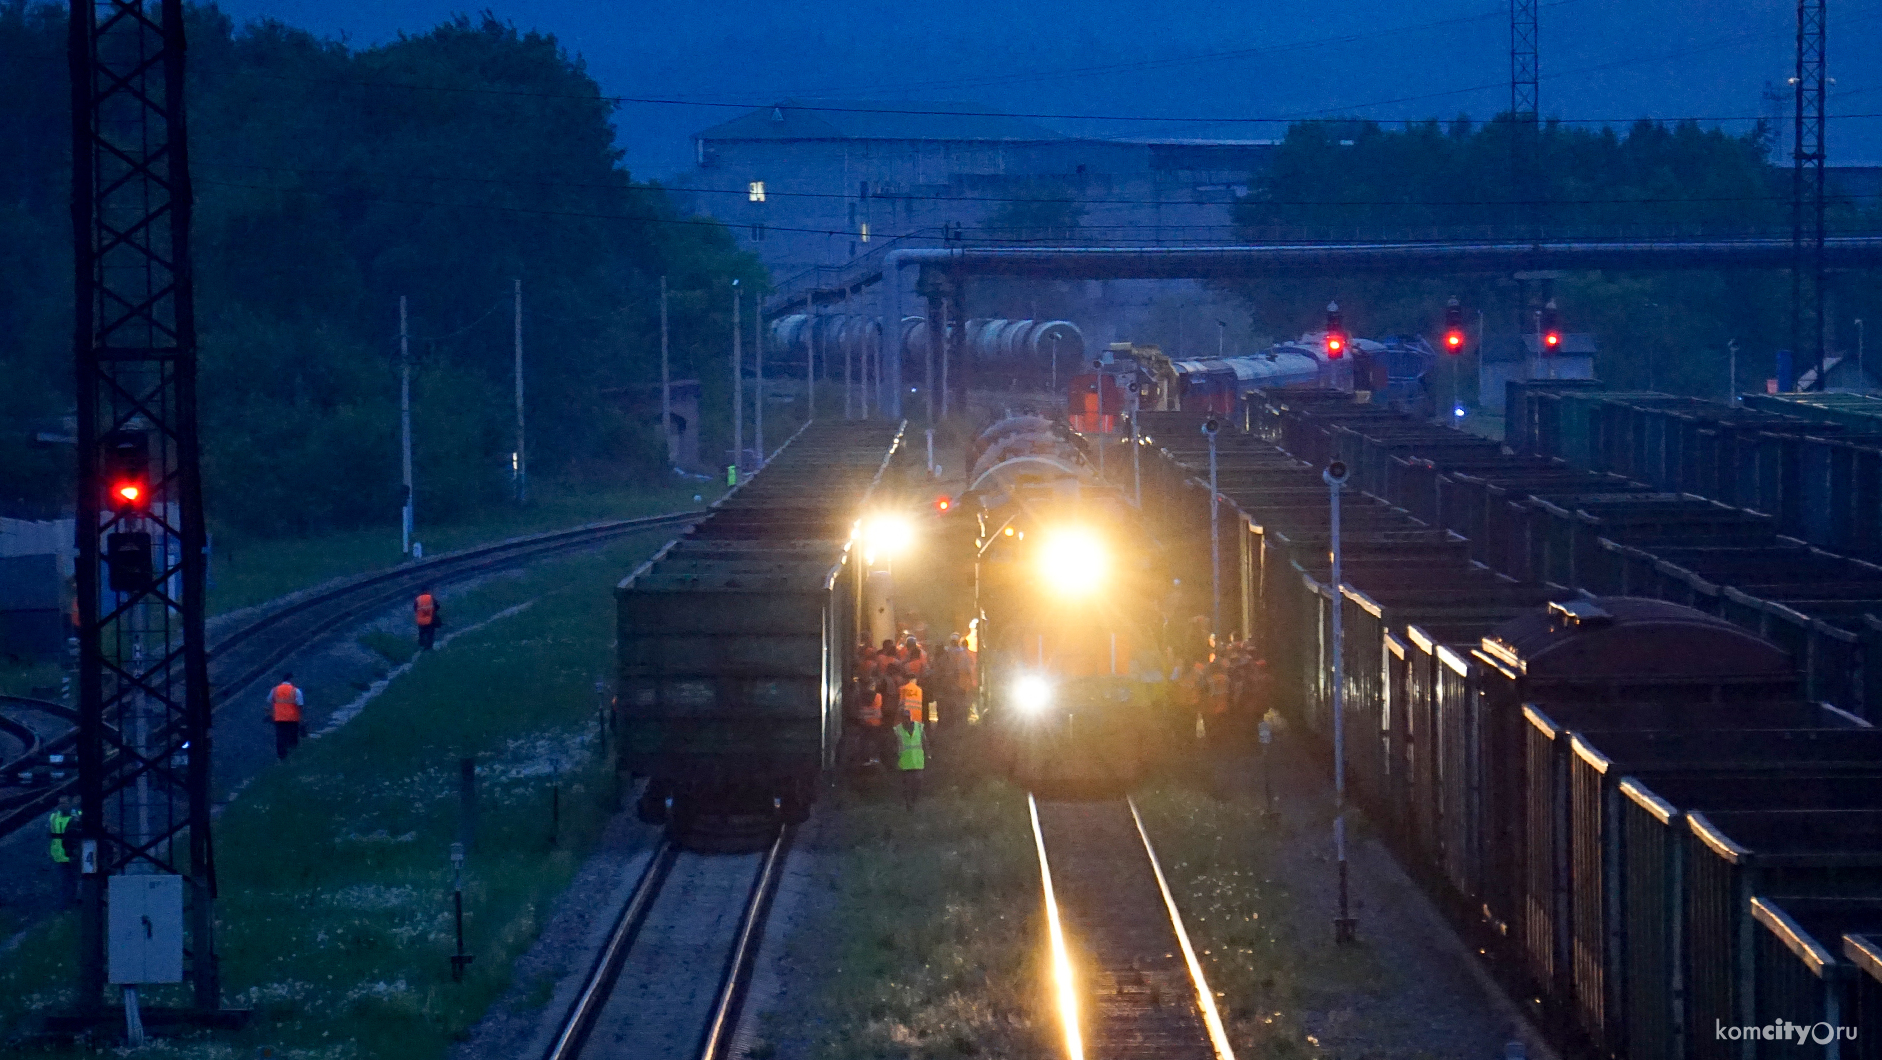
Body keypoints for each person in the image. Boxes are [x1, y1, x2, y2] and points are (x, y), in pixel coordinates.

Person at [48, 796, 80, 909]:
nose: (62, 805)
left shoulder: (77, 816)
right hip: (59, 854)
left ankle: (73, 903)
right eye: (60, 803)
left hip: (74, 854)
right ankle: (65, 904)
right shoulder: (53, 817)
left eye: (65, 803)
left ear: (70, 804)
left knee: (74, 880)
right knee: (65, 881)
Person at [267, 673, 304, 760]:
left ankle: (282, 756)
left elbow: (269, 700)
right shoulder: (295, 690)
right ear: (291, 680)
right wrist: (301, 719)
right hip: (292, 718)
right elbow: (300, 705)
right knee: (293, 737)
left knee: (280, 737)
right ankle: (294, 754)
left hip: (279, 718)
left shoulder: (275, 690)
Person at [893, 715, 927, 806]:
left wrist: (928, 754)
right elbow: (894, 746)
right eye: (904, 718)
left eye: (907, 718)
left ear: (910, 718)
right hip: (905, 764)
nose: (906, 721)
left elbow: (925, 742)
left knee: (917, 784)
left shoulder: (919, 727)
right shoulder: (897, 730)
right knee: (907, 786)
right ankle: (909, 804)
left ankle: (913, 801)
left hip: (917, 763)